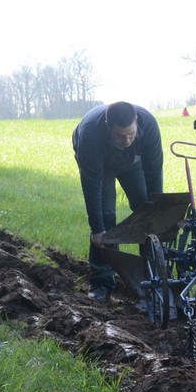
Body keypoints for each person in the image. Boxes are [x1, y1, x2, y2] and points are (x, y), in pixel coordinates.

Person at [72, 101, 163, 301]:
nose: (127, 140)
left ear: (136, 122)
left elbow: (154, 172)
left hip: (132, 163)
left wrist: (157, 215)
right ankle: (102, 281)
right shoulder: (90, 135)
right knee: (106, 217)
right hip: (100, 168)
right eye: (120, 136)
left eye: (131, 134)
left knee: (145, 206)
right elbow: (91, 186)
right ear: (107, 126)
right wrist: (97, 229)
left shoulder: (148, 124)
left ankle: (152, 274)